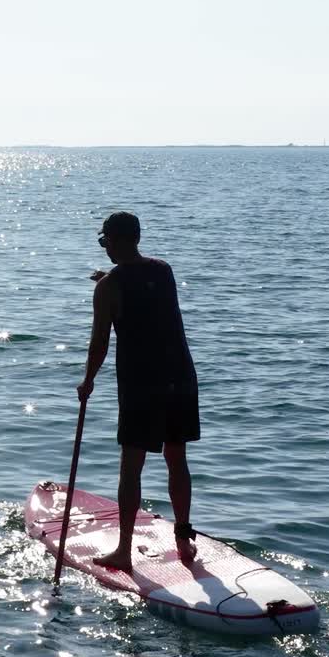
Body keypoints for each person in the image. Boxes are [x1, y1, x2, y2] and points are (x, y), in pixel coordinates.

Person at [76, 211, 200, 572]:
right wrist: (107, 280)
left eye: (104, 242)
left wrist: (88, 381)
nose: (105, 249)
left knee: (131, 467)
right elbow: (139, 286)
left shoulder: (108, 288)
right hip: (180, 378)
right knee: (176, 458)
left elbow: (99, 342)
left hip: (141, 384)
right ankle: (183, 538)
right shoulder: (163, 270)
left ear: (113, 240)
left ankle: (124, 551)